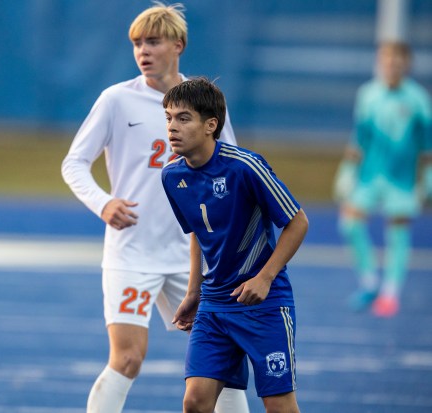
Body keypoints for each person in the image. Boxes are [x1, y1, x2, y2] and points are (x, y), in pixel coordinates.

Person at [61, 3, 250, 413]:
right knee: (127, 358)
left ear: (178, 45)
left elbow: (232, 167)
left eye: (153, 41)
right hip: (132, 252)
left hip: (193, 256)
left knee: (227, 361)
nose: (143, 51)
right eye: (136, 43)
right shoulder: (116, 100)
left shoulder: (205, 102)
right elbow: (73, 162)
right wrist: (103, 202)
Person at [161, 77, 308, 413]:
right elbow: (198, 232)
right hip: (214, 305)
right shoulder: (171, 176)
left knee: (279, 405)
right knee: (195, 402)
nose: (172, 126)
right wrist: (193, 292)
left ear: (211, 125)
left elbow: (298, 222)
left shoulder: (245, 167)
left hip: (264, 306)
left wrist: (265, 277)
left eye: (183, 118)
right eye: (168, 117)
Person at [333, 41, 432, 317]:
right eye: (386, 61)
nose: (391, 66)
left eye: (397, 62)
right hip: (369, 176)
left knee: (397, 232)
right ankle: (370, 282)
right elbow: (360, 138)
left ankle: (390, 293)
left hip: (402, 179)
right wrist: (347, 171)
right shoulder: (367, 95)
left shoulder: (419, 100)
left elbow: (426, 146)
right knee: (350, 224)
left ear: (406, 65)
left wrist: (427, 177)